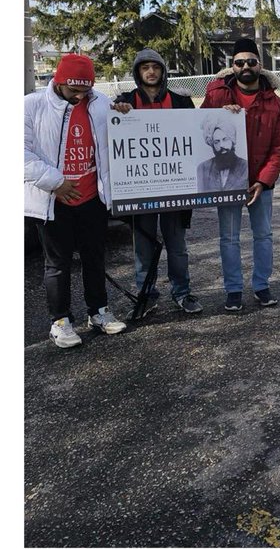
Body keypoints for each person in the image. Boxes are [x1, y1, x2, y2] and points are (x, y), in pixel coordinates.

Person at [24, 53, 126, 348]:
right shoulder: (31, 106)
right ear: (58, 81)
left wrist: (123, 112)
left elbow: (117, 132)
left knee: (95, 258)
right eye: (73, 90)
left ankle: (99, 312)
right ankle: (61, 321)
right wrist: (56, 182)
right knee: (57, 263)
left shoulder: (99, 103)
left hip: (91, 197)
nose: (80, 96)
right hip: (52, 200)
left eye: (85, 90)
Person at [200, 38, 280, 312]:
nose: (245, 66)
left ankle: (262, 285)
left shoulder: (276, 103)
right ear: (232, 66)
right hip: (227, 182)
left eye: (251, 61)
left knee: (263, 235)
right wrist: (219, 116)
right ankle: (233, 290)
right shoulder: (216, 95)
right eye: (239, 62)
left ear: (259, 65)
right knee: (229, 238)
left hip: (259, 183)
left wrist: (264, 180)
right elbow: (199, 127)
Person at [112, 48, 202, 314]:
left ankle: (182, 292)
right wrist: (117, 111)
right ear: (138, 72)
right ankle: (146, 294)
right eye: (145, 67)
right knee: (143, 247)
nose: (150, 72)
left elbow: (197, 134)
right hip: (142, 189)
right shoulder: (125, 102)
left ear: (163, 72)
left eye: (156, 67)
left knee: (177, 246)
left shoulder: (180, 101)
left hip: (175, 187)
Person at [195, 113, 250, 192]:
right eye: (217, 142)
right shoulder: (203, 168)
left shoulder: (245, 166)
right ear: (212, 144)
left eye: (225, 139)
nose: (221, 145)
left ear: (232, 140)